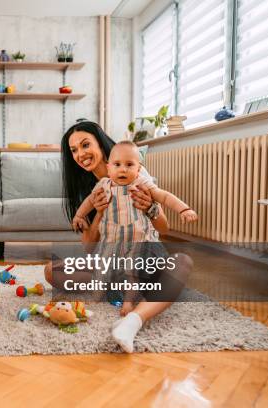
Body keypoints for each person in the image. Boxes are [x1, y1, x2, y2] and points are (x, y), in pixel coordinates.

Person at [45, 120, 193, 353]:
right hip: (109, 259)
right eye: (74, 150)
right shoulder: (89, 188)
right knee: (51, 270)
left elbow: (163, 229)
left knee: (183, 262)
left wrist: (150, 208)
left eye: (85, 145)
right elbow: (89, 248)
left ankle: (133, 320)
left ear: (100, 144)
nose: (80, 154)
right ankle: (125, 289)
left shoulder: (134, 171)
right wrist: (99, 212)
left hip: (142, 254)